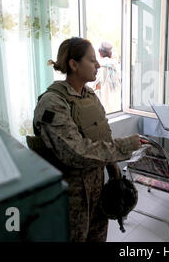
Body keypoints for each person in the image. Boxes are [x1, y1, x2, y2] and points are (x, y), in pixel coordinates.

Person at [32, 37, 142, 242]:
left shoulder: (89, 96)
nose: (98, 64)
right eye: (92, 60)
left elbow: (102, 135)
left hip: (98, 189)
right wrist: (125, 146)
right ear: (73, 64)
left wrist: (114, 171)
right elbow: (75, 152)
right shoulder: (52, 103)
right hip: (70, 196)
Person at [91, 42, 121, 114]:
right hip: (116, 102)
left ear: (100, 53)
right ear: (110, 54)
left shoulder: (99, 66)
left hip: (102, 101)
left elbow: (94, 85)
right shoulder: (116, 65)